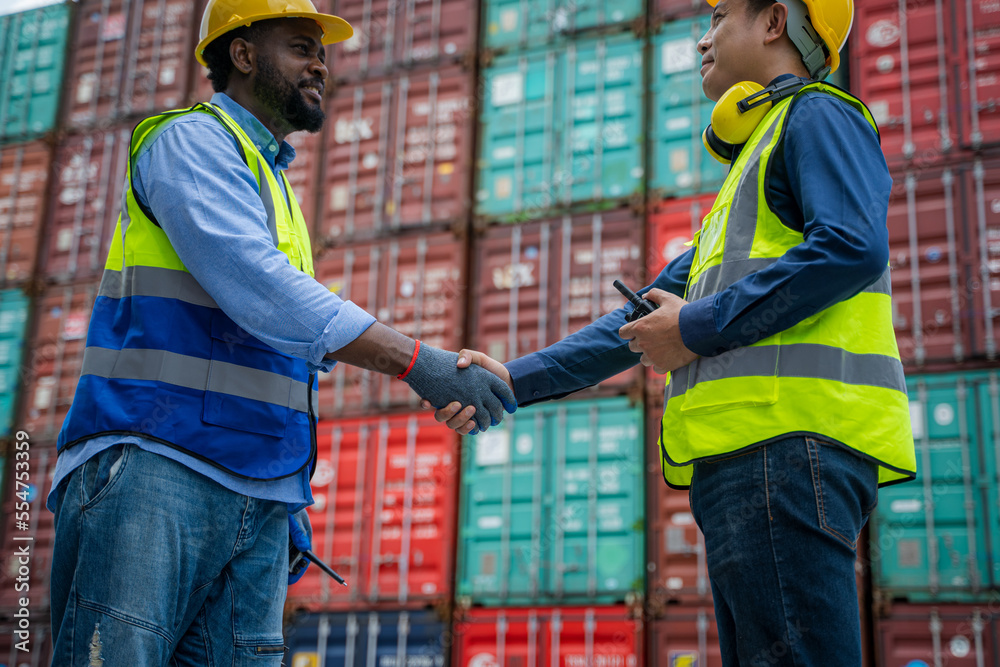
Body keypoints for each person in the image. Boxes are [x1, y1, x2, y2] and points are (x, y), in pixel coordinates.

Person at [430, 0, 916, 662]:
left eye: (718, 18)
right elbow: (641, 317)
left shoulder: (817, 115)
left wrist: (696, 325)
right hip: (752, 460)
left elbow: (854, 248)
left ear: (775, 22)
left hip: (788, 447)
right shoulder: (747, 172)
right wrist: (518, 379)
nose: (701, 40)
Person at [46, 1, 514, 663]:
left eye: (319, 51)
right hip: (155, 461)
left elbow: (277, 347)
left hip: (257, 491)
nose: (320, 64)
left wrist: (286, 498)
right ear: (241, 54)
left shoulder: (274, 182)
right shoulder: (189, 141)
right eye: (300, 46)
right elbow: (260, 290)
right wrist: (416, 361)